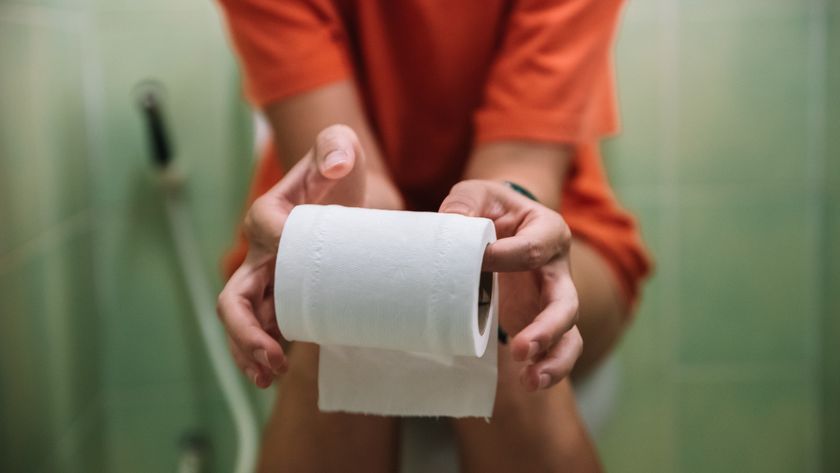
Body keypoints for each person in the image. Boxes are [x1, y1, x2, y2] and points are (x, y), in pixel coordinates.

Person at [215, 0, 651, 471]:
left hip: (552, 222)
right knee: (347, 289)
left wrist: (488, 237)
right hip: (340, 206)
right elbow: (346, 179)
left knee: (500, 301)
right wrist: (366, 242)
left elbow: (517, 172)